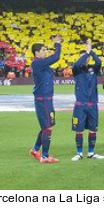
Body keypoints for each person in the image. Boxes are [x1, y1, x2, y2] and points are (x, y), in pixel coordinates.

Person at [29, 35, 62, 164]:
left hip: (47, 99)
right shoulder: (36, 63)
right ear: (36, 52)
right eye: (43, 50)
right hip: (43, 100)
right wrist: (57, 44)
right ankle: (45, 156)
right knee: (48, 128)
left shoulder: (41, 64)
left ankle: (35, 150)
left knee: (46, 127)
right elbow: (56, 57)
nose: (45, 51)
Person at [71, 40, 104, 161]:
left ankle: (91, 152)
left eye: (86, 57)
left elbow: (99, 62)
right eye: (82, 57)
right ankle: (79, 153)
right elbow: (77, 63)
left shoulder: (93, 69)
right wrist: (86, 53)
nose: (84, 59)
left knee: (93, 129)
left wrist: (91, 52)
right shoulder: (76, 69)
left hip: (93, 105)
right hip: (80, 105)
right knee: (79, 130)